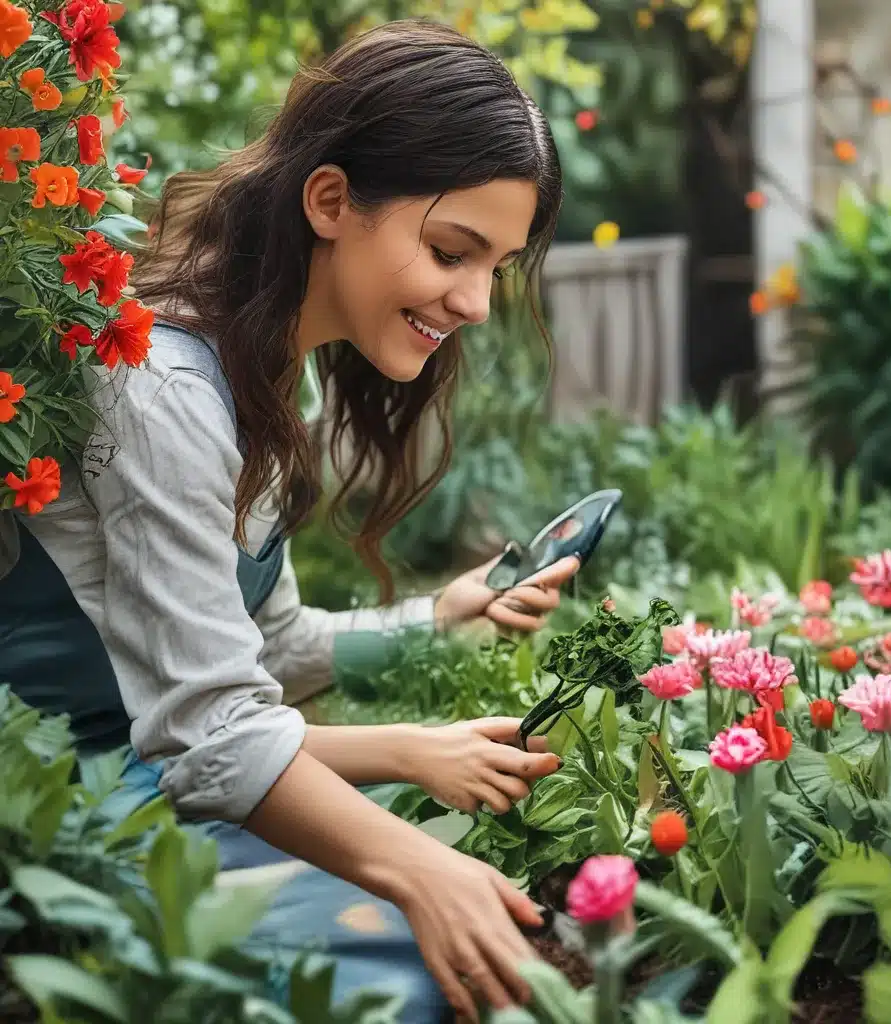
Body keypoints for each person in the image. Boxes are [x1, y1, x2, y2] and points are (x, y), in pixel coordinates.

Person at [0, 19, 577, 1023]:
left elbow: (267, 655)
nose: (479, 302)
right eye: (452, 250)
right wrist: (412, 865)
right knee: (401, 980)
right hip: (57, 821)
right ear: (330, 200)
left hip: (149, 787)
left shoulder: (265, 373)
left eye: (498, 265)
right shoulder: (164, 388)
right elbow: (212, 731)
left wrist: (439, 626)